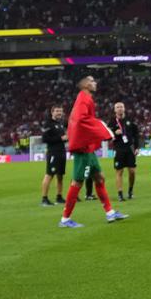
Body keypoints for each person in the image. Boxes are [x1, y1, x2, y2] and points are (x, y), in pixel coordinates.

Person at [58, 76, 128, 228]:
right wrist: (102, 128)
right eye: (92, 81)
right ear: (85, 84)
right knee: (77, 181)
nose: (95, 82)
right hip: (83, 148)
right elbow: (80, 120)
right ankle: (65, 219)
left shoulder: (86, 98)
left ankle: (110, 213)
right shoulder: (83, 98)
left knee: (99, 177)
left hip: (88, 148)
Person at [110, 102, 140, 202]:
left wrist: (137, 147)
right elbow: (107, 136)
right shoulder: (111, 122)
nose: (119, 108)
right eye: (117, 107)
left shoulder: (130, 120)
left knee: (132, 172)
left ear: (124, 108)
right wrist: (114, 133)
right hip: (119, 149)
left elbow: (136, 135)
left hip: (130, 149)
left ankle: (130, 192)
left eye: (121, 107)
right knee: (119, 171)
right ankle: (120, 194)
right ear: (115, 110)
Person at [40, 105, 68, 207]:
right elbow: (45, 139)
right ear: (52, 112)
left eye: (60, 111)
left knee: (60, 176)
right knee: (49, 175)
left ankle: (59, 197)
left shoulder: (60, 124)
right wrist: (61, 138)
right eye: (57, 111)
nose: (59, 113)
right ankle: (44, 199)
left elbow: (62, 138)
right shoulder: (48, 124)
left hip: (61, 152)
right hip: (53, 153)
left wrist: (66, 138)